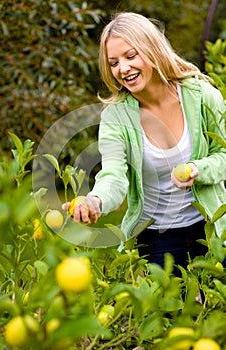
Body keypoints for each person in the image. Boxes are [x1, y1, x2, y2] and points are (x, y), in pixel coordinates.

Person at [63, 12, 226, 274]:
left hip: (213, 224)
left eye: (130, 56)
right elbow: (114, 176)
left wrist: (199, 169)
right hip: (158, 237)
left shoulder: (201, 96)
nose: (122, 69)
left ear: (152, 50)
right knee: (170, 312)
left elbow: (223, 155)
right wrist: (95, 201)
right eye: (113, 62)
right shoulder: (116, 117)